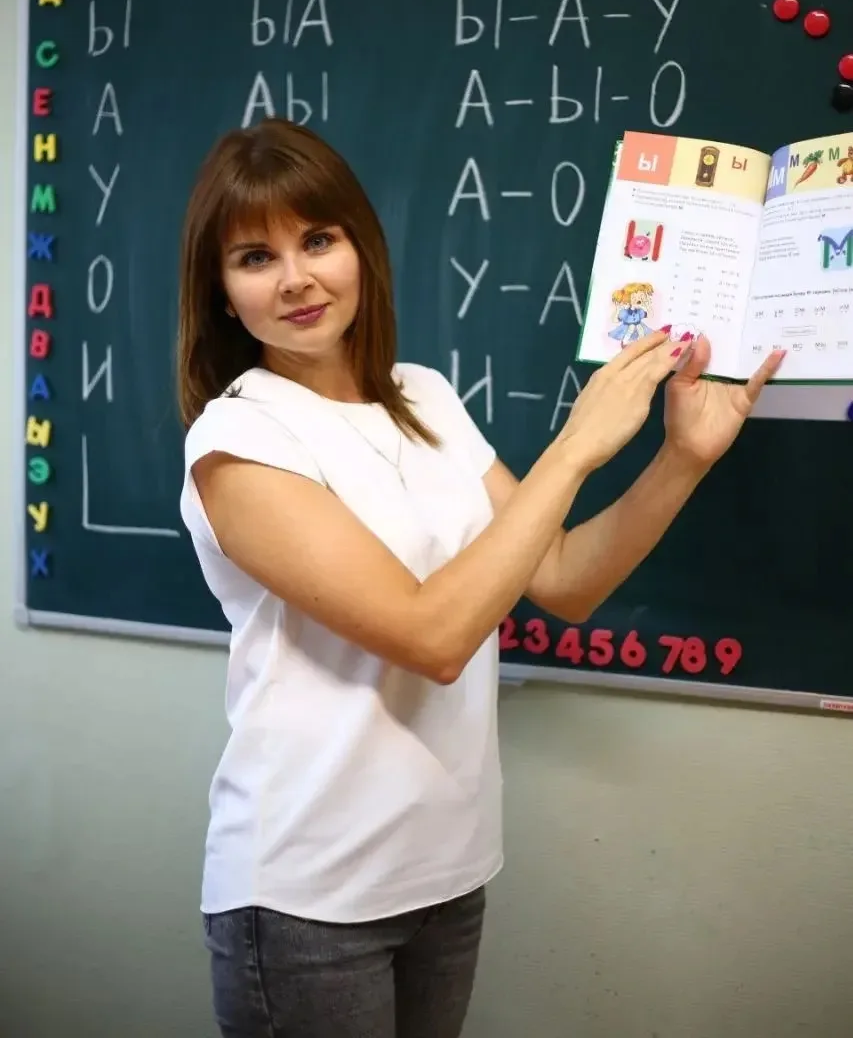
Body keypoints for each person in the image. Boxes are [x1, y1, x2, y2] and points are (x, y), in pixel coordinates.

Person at [176, 117, 783, 1038]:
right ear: (222, 294)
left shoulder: (423, 394)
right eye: (255, 258)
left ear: (360, 249)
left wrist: (682, 458)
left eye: (319, 240)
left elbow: (562, 578)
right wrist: (574, 448)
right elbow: (432, 637)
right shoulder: (240, 440)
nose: (296, 278)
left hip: (445, 869)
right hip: (308, 892)